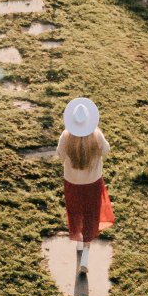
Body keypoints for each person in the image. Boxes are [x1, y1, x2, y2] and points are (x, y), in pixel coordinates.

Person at [56, 97, 114, 274]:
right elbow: (106, 151)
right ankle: (86, 257)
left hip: (73, 183)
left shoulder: (66, 136)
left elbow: (60, 156)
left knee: (76, 213)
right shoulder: (96, 135)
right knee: (90, 216)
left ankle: (79, 242)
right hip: (92, 184)